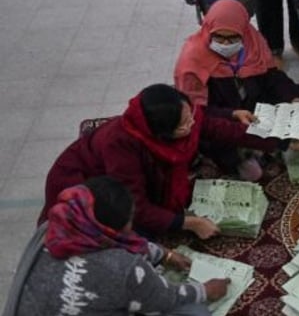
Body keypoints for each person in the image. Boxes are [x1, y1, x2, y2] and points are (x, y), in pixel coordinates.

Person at [1, 177, 229, 316]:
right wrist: (206, 290)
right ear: (109, 231)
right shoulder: (121, 268)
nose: (132, 227)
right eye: (129, 222)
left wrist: (165, 255)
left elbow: (128, 242)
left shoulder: (53, 230)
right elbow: (165, 300)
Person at [39, 84, 281, 240]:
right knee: (132, 238)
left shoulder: (178, 116)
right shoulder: (121, 146)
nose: (192, 124)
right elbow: (135, 206)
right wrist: (188, 222)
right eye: (183, 125)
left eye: (189, 116)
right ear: (160, 132)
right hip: (84, 184)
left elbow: (217, 127)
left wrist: (281, 141)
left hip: (126, 177)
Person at [174, 0, 299, 180]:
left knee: (288, 112)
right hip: (218, 120)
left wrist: (295, 99)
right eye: (218, 37)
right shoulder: (193, 59)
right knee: (251, 168)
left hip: (250, 111)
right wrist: (232, 114)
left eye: (233, 38)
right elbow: (196, 112)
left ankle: (259, 149)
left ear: (244, 32)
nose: (226, 44)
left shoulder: (253, 44)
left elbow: (272, 78)